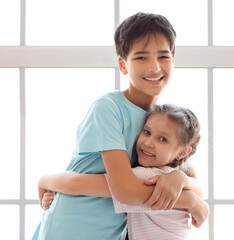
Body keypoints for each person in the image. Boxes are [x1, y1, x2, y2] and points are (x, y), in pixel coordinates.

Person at [32, 12, 208, 240]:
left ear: (173, 60)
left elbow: (195, 184)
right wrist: (188, 199)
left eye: (163, 57)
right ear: (123, 65)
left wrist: (181, 180)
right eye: (141, 57)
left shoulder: (165, 122)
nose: (154, 67)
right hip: (71, 227)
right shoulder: (108, 107)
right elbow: (125, 191)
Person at [40, 104, 206, 240]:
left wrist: (44, 181)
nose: (148, 142)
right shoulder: (172, 176)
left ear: (183, 152)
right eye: (147, 132)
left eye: (162, 139)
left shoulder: (150, 177)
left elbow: (76, 184)